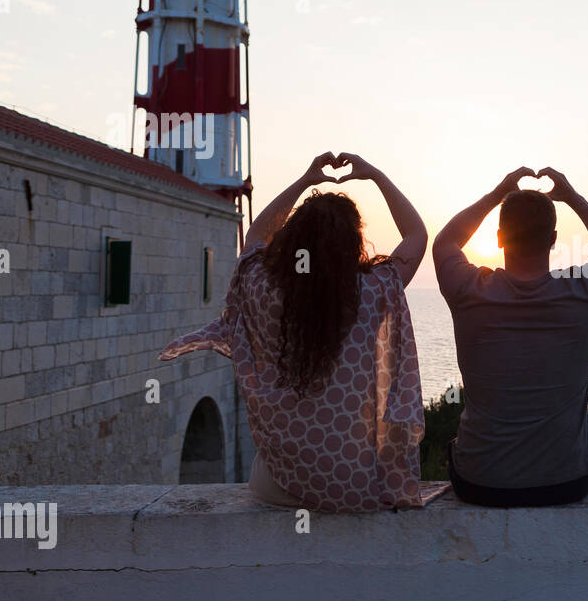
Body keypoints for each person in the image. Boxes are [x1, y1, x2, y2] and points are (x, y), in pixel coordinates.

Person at [159, 152, 437, 512]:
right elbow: (417, 235)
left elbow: (257, 234)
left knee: (262, 468)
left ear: (291, 240)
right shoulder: (374, 290)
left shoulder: (260, 286)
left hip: (282, 485)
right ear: (353, 244)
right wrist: (376, 176)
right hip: (355, 484)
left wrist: (306, 180)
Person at [432, 166, 588, 507]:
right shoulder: (582, 291)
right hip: (568, 483)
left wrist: (496, 195)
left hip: (480, 483)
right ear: (553, 239)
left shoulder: (468, 290)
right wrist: (572, 197)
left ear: (499, 239)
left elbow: (445, 242)